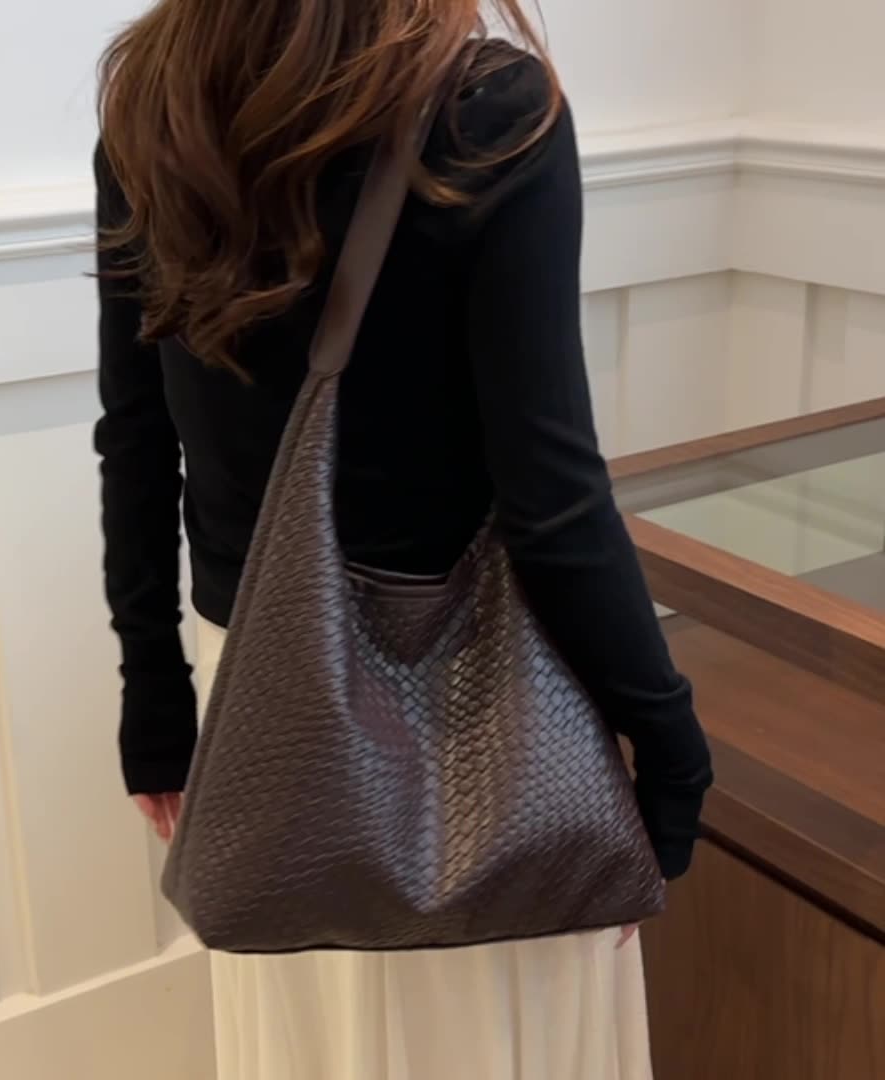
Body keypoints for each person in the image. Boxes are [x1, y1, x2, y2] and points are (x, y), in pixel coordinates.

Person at [93, 2, 713, 1077]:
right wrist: (667, 743)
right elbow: (551, 496)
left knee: (309, 1035)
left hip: (253, 691)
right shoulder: (488, 108)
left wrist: (154, 700)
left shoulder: (158, 96)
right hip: (480, 713)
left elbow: (137, 435)